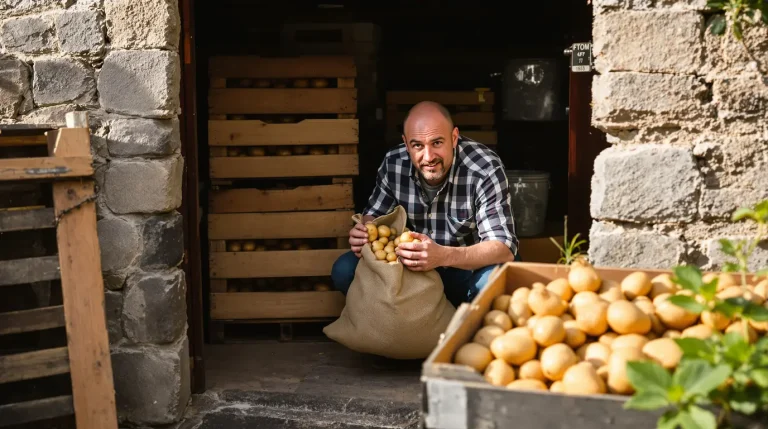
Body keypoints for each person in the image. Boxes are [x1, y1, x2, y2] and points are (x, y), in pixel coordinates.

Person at [330, 101, 520, 308]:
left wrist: (442, 256)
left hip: (466, 270)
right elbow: (375, 216)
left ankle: (462, 327)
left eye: (437, 143)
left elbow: (503, 247)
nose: (428, 157)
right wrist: (364, 233)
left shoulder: (484, 168)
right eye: (417, 145)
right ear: (405, 143)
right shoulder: (394, 163)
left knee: (494, 282)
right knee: (344, 270)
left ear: (454, 138)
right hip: (412, 273)